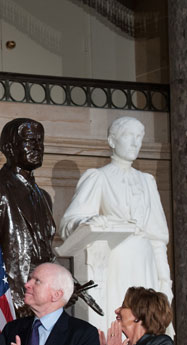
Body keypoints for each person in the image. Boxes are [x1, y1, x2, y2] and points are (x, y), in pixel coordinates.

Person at [60, 116, 172, 317]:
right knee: (120, 317)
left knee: (147, 321)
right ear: (112, 141)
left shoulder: (147, 181)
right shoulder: (98, 177)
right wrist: (88, 222)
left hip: (145, 261)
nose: (135, 142)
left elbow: (157, 238)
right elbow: (69, 223)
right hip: (116, 260)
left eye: (139, 136)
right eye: (129, 135)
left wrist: (165, 280)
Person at [0, 118, 56, 318]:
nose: (38, 147)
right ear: (9, 148)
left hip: (44, 299)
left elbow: (46, 251)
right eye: (29, 141)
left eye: (40, 141)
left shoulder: (43, 196)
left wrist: (64, 282)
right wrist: (12, 298)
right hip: (12, 299)